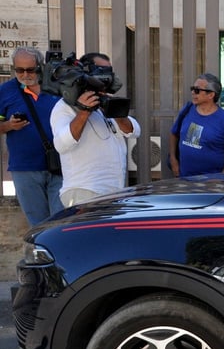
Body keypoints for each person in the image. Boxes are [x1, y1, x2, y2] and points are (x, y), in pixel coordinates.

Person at [50, 54, 140, 207]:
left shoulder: (104, 102)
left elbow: (134, 131)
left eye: (108, 70)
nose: (106, 76)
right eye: (101, 70)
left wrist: (115, 110)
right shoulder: (64, 107)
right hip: (84, 192)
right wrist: (84, 111)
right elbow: (61, 144)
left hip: (113, 192)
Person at [0, 47, 64, 224]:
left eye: (30, 69)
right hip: (25, 169)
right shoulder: (5, 91)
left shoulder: (57, 87)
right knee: (38, 225)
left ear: (40, 67)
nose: (25, 74)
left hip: (62, 166)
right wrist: (8, 125)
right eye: (19, 70)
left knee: (61, 222)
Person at [168, 73, 224, 177]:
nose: (193, 93)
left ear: (211, 95)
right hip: (184, 180)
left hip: (210, 185)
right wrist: (173, 159)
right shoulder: (187, 110)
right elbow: (174, 133)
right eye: (192, 89)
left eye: (197, 90)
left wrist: (220, 179)